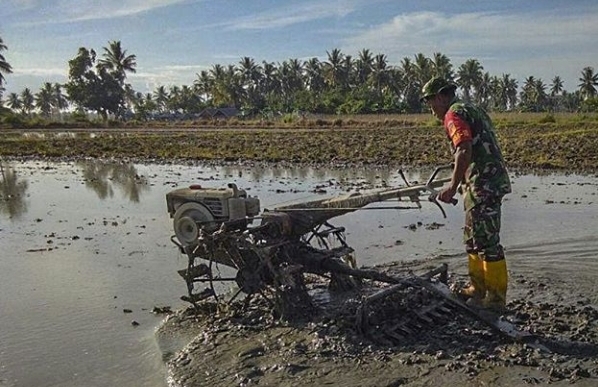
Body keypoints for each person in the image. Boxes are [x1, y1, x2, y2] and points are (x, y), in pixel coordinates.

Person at [420, 77, 512, 312]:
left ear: (441, 96)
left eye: (431, 104)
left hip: (485, 184)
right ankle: (477, 288)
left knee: (488, 241)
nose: (432, 111)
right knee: (472, 239)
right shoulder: (471, 109)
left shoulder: (453, 114)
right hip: (478, 183)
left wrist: (451, 186)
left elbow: (463, 148)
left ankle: (495, 298)